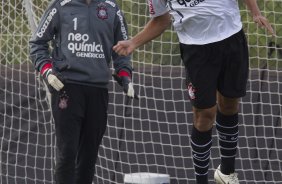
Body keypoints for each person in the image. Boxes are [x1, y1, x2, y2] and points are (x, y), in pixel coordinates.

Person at [113, 0, 274, 183]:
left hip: (232, 38)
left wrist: (255, 12)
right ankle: (201, 180)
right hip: (196, 49)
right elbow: (161, 20)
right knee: (204, 114)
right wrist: (133, 42)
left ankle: (227, 173)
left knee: (230, 103)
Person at [29, 0, 137, 183]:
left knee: (88, 156)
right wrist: (47, 71)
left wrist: (125, 75)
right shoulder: (60, 6)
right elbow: (37, 44)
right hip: (67, 88)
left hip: (98, 90)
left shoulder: (111, 9)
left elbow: (123, 49)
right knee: (68, 152)